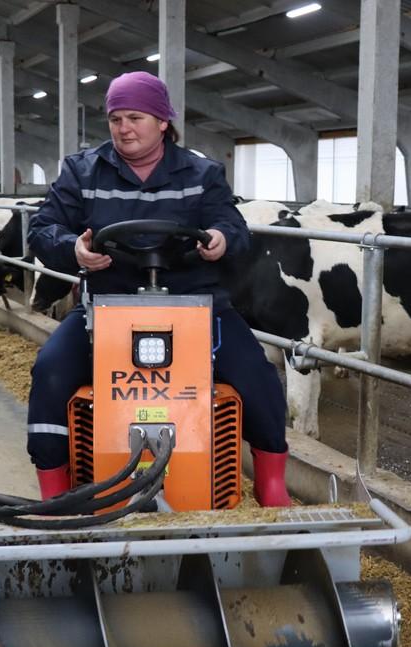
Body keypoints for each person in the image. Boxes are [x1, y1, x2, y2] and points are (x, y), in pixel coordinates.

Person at [26, 71, 291, 507]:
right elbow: (42, 230)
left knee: (257, 374)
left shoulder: (202, 173)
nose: (124, 128)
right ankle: (54, 495)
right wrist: (73, 248)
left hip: (198, 309)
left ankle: (272, 485)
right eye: (116, 118)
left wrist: (221, 240)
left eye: (135, 117)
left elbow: (234, 228)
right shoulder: (81, 171)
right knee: (50, 371)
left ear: (163, 121)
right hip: (107, 307)